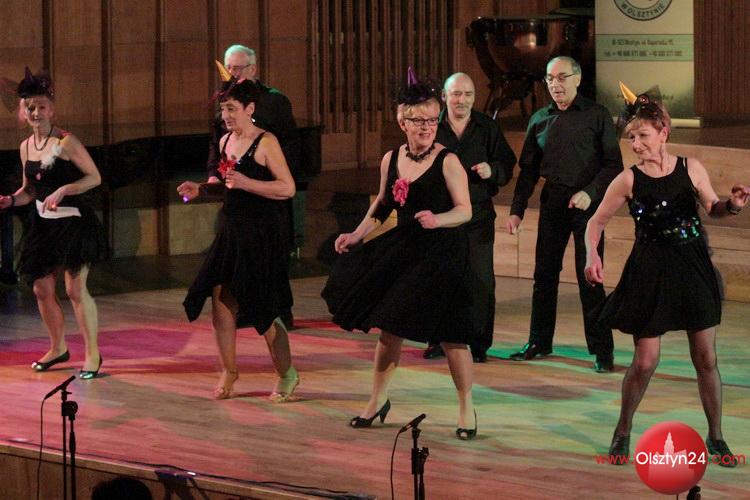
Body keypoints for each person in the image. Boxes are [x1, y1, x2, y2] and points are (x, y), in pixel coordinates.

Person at [584, 89, 748, 466]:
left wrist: (734, 206)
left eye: (643, 135)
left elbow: (714, 208)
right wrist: (592, 253)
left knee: (705, 357)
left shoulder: (691, 168)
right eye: (631, 137)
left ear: (663, 133)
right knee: (645, 361)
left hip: (692, 267)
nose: (636, 144)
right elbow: (595, 222)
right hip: (649, 272)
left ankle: (716, 436)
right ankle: (623, 429)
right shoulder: (628, 180)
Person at [321, 69, 477, 439]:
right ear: (402, 121)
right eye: (418, 120)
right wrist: (357, 234)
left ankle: (466, 409)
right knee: (390, 327)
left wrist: (438, 219)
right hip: (408, 250)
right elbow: (381, 204)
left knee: (452, 336)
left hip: (443, 254)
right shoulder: (391, 159)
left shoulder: (448, 161)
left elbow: (465, 211)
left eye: (432, 120)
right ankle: (377, 401)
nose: (426, 127)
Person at [178, 79, 299, 402]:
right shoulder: (226, 140)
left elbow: (287, 188)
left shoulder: (266, 142)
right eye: (223, 109)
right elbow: (229, 186)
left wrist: (247, 183)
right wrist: (202, 189)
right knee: (221, 303)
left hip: (262, 233)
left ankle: (286, 374)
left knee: (263, 307)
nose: (226, 115)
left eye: (232, 109)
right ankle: (229, 370)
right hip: (231, 230)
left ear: (250, 108)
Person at [505, 56, 622, 372]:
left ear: (578, 79)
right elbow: (528, 170)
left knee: (589, 277)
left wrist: (590, 193)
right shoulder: (539, 119)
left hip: (587, 206)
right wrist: (517, 210)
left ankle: (602, 350)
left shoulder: (597, 115)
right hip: (553, 202)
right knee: (544, 275)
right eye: (550, 78)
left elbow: (613, 165)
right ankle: (539, 342)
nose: (555, 84)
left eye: (562, 77)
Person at [0, 69, 103, 379]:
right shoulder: (25, 147)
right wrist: (11, 200)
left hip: (73, 223)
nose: (36, 112)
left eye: (41, 107)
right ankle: (58, 347)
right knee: (41, 288)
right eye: (30, 107)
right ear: (24, 111)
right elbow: (29, 190)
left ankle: (93, 354)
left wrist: (65, 189)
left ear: (52, 109)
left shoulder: (67, 142)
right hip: (43, 225)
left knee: (74, 289)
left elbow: (94, 178)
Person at [422, 72, 517, 363]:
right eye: (456, 94)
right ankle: (439, 341)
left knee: (480, 280)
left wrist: (492, 171)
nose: (462, 100)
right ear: (444, 97)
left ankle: (478, 344)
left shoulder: (486, 127)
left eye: (468, 95)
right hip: (442, 215)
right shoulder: (432, 127)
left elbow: (507, 164)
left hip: (477, 216)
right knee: (441, 278)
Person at [207, 45, 300, 330]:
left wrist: (262, 173)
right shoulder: (225, 102)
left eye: (238, 68)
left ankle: (280, 312)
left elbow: (290, 144)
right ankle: (245, 309)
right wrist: (212, 177)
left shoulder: (274, 101)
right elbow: (216, 143)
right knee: (237, 259)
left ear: (253, 69)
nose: (232, 73)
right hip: (239, 198)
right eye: (229, 68)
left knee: (273, 254)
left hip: (268, 188)